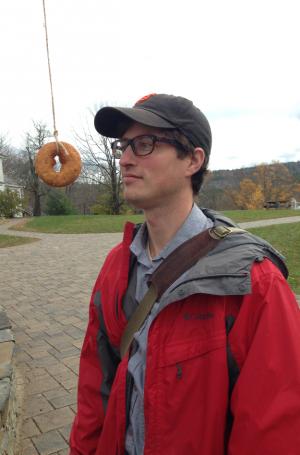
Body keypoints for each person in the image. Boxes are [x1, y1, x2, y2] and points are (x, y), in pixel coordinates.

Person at [69, 94, 300, 455]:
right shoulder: (117, 265)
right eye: (123, 146)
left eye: (145, 144)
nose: (126, 159)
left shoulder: (255, 284)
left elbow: (271, 434)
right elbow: (94, 390)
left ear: (193, 160)